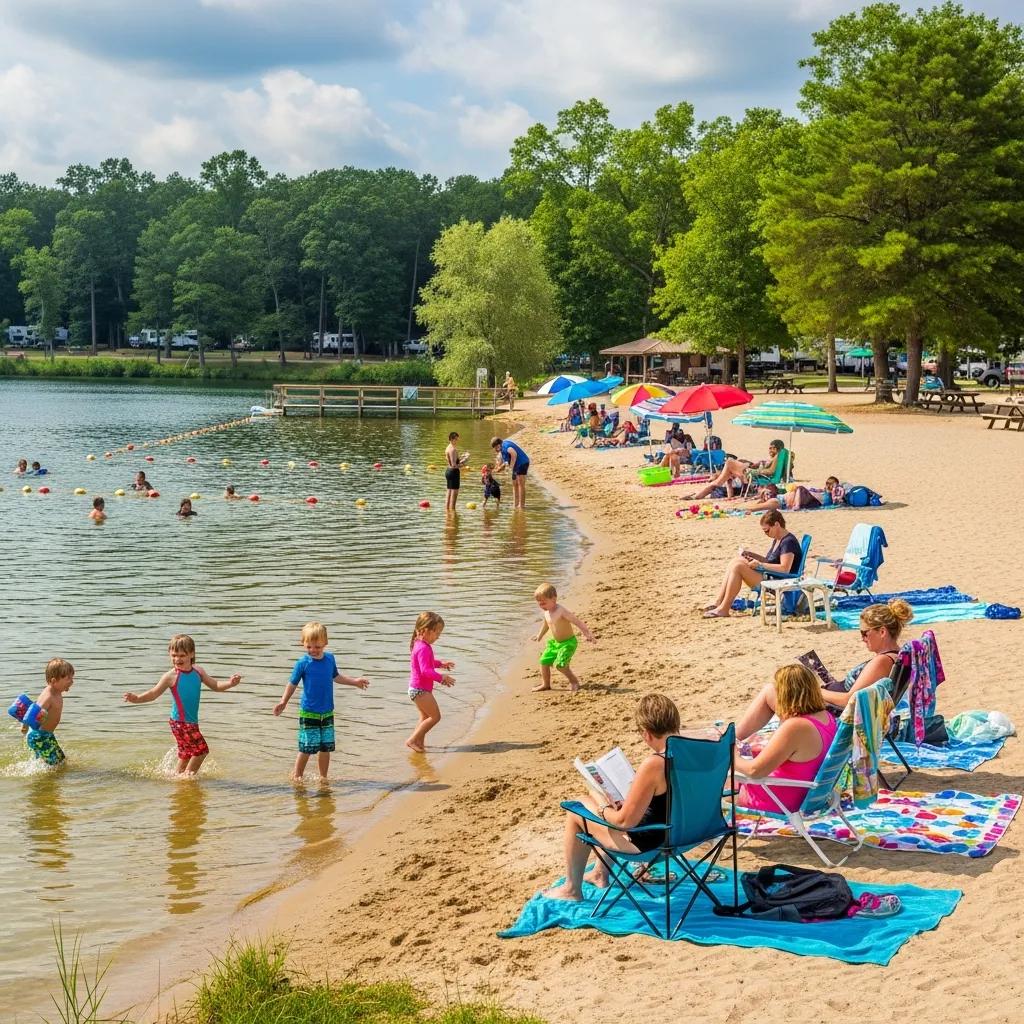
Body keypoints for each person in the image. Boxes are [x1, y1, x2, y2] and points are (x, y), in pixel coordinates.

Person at [544, 694, 680, 901]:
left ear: (646, 733)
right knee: (617, 806)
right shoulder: (696, 752)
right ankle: (600, 873)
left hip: (651, 844)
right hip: (688, 833)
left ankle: (571, 889)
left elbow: (623, 823)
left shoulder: (655, 763)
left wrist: (602, 804)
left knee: (577, 808)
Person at [735, 600, 914, 738]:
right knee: (780, 688)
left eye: (864, 633)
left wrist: (813, 690)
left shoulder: (882, 662)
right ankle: (738, 738)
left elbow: (848, 700)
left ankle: (734, 741)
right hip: (843, 713)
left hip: (835, 719)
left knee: (771, 691)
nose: (862, 638)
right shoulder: (892, 658)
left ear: (882, 632)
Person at [123, 634, 242, 775]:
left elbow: (215, 685)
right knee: (201, 751)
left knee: (186, 754)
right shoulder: (170, 676)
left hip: (189, 722)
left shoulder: (198, 671)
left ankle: (177, 779)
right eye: (174, 655)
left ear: (192, 654)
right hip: (181, 723)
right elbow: (153, 693)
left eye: (181, 655)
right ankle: (187, 780)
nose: (177, 659)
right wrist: (136, 698)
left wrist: (230, 683)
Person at [734, 664, 838, 812]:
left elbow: (754, 771)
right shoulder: (825, 717)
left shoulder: (795, 727)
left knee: (724, 769)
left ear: (784, 694)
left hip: (779, 801)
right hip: (806, 792)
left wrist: (731, 755)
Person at [273, 621, 370, 780]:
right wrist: (283, 701)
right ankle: (297, 776)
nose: (313, 650)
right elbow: (292, 683)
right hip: (309, 712)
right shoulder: (302, 663)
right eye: (309, 647)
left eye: (317, 647)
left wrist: (355, 682)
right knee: (307, 747)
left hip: (327, 712)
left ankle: (323, 778)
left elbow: (336, 677)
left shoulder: (330, 659)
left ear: (325, 643)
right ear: (303, 643)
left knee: (326, 747)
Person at [703, 509, 801, 619]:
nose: (766, 534)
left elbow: (785, 569)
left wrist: (760, 565)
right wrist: (751, 555)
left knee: (738, 567)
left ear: (777, 524)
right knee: (735, 561)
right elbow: (770, 561)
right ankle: (718, 602)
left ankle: (724, 609)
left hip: (779, 583)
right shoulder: (778, 539)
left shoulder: (788, 542)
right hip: (772, 577)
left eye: (767, 531)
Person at [405, 611, 455, 752]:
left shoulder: (419, 644)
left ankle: (419, 743)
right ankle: (412, 740)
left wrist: (441, 664)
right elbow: (425, 671)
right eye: (436, 633)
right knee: (435, 717)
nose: (438, 637)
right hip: (420, 690)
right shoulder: (423, 648)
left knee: (425, 717)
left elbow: (428, 663)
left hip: (416, 689)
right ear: (424, 630)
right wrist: (441, 678)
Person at [533, 582, 595, 693]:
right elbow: (546, 625)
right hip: (555, 643)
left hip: (568, 643)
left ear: (554, 599)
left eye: (544, 603)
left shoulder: (561, 611)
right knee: (544, 661)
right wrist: (539, 635)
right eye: (539, 604)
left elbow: (577, 622)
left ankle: (574, 681)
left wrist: (587, 634)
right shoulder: (547, 613)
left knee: (560, 665)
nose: (542, 606)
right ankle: (546, 684)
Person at [683, 440, 787, 501]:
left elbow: (771, 471)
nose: (770, 450)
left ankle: (698, 495)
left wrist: (756, 471)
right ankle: (699, 495)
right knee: (727, 473)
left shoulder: (777, 456)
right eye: (769, 448)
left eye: (772, 448)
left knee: (729, 462)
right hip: (754, 475)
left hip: (754, 476)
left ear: (778, 449)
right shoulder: (777, 457)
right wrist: (758, 465)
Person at [23, 658, 75, 766]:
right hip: (39, 736)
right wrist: (25, 726)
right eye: (68, 678)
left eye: (72, 678)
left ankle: (43, 780)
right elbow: (33, 711)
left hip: (46, 735)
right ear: (53, 681)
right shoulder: (48, 696)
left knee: (60, 762)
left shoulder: (56, 691)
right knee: (56, 765)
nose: (71, 681)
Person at [740, 475, 843, 514]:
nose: (831, 487)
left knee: (759, 507)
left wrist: (838, 496)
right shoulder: (821, 491)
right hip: (782, 499)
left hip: (783, 502)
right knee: (759, 506)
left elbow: (836, 501)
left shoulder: (830, 498)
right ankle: (741, 510)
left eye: (834, 486)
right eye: (829, 485)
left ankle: (744, 510)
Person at [490, 435, 530, 510]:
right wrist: (498, 469)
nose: (495, 450)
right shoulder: (502, 449)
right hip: (516, 466)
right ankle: (515, 505)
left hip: (522, 463)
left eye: (495, 448)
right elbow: (504, 462)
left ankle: (521, 506)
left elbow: (513, 453)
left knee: (520, 484)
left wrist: (510, 467)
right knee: (514, 484)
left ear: (498, 445)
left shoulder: (505, 446)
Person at [444, 431, 461, 511]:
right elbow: (454, 465)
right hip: (454, 472)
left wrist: (461, 458)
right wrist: (464, 463)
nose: (457, 441)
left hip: (448, 471)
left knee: (449, 491)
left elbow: (450, 461)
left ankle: (447, 511)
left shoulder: (447, 448)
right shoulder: (453, 449)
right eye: (456, 439)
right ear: (451, 439)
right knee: (454, 493)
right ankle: (453, 512)